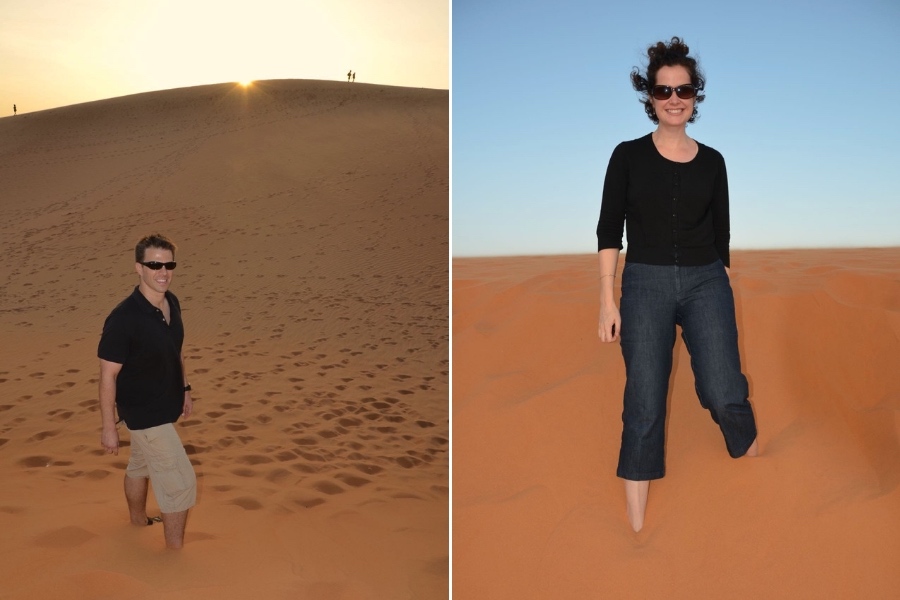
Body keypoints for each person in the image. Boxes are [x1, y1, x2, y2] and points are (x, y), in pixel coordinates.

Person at [596, 37, 758, 532]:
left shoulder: (714, 162)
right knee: (644, 396)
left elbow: (723, 234)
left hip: (707, 280)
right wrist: (607, 299)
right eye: (663, 91)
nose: (674, 99)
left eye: (683, 89)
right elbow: (609, 230)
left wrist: (721, 291)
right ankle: (637, 516)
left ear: (696, 95)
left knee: (723, 387)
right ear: (649, 96)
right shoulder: (626, 156)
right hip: (644, 283)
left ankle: (753, 458)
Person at [98, 233, 196, 549]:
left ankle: (138, 522)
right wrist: (108, 427)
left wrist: (185, 388)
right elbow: (107, 376)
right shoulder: (123, 318)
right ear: (138, 268)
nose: (163, 272)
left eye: (169, 264)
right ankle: (174, 557)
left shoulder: (172, 302)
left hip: (164, 405)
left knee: (140, 465)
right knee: (180, 483)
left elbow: (177, 350)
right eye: (155, 264)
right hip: (143, 413)